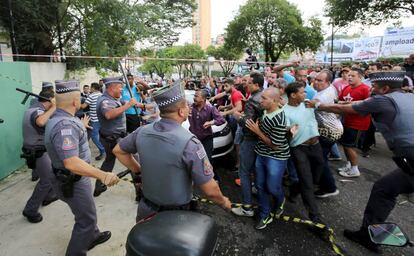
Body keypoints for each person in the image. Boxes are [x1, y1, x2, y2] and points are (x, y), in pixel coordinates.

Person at [311, 71, 414, 253]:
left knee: (383, 190)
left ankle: (368, 235)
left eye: (375, 87)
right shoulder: (406, 97)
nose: (371, 89)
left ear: (385, 88)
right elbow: (357, 103)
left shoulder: (383, 99)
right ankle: (369, 235)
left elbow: (346, 109)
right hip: (408, 161)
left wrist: (318, 106)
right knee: (384, 188)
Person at [113, 84, 232, 222]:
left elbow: (118, 151)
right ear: (181, 111)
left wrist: (139, 170)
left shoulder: (142, 131)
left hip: (146, 211)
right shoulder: (190, 143)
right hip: (175, 216)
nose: (189, 108)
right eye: (187, 105)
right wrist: (224, 202)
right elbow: (210, 190)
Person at [45, 80, 120, 256]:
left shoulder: (62, 118)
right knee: (86, 219)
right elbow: (70, 162)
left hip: (75, 177)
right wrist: (102, 175)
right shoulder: (66, 126)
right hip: (73, 179)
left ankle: (92, 235)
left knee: (86, 210)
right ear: (74, 101)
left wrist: (81, 127)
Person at [245, 87, 290, 229]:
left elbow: (275, 146)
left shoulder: (280, 118)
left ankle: (281, 199)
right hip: (261, 153)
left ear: (275, 101)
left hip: (276, 157)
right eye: (261, 97)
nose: (260, 100)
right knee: (259, 186)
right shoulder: (265, 111)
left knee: (272, 187)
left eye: (264, 98)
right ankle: (265, 215)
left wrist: (257, 131)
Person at [283, 82, 325, 224]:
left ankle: (295, 189)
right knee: (307, 182)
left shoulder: (308, 103)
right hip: (299, 149)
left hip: (316, 146)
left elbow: (320, 102)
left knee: (316, 177)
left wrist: (316, 102)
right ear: (293, 95)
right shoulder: (284, 111)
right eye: (302, 92)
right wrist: (288, 132)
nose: (305, 94)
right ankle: (315, 217)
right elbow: (286, 136)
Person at [94, 77, 141, 197]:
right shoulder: (105, 101)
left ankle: (99, 187)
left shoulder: (114, 98)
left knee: (109, 161)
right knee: (134, 162)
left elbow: (125, 102)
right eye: (120, 87)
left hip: (113, 137)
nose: (122, 89)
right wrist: (128, 105)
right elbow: (109, 114)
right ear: (112, 87)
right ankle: (140, 192)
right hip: (113, 139)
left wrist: (143, 106)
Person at [21, 89, 57, 223]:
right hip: (37, 151)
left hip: (36, 149)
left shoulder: (33, 108)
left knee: (51, 175)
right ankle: (30, 210)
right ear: (50, 100)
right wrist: (54, 107)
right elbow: (41, 122)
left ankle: (48, 196)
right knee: (46, 179)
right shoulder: (38, 112)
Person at [231, 72, 264, 217]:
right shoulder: (264, 96)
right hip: (262, 140)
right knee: (258, 171)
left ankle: (247, 208)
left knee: (244, 172)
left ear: (257, 85)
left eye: (249, 82)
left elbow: (247, 124)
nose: (246, 84)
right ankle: (258, 193)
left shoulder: (253, 100)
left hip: (251, 139)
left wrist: (238, 117)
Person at [306, 70, 343, 198]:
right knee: (319, 158)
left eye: (319, 80)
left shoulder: (322, 96)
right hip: (331, 128)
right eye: (315, 79)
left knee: (319, 159)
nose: (315, 82)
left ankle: (329, 187)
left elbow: (308, 107)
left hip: (329, 131)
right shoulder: (328, 88)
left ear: (328, 82)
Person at [336, 68, 371, 177]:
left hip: (358, 124)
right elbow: (339, 100)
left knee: (350, 146)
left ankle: (355, 169)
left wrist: (346, 103)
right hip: (347, 121)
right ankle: (349, 164)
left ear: (360, 77)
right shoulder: (346, 88)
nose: (349, 77)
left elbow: (370, 105)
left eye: (352, 76)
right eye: (348, 75)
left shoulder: (366, 89)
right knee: (346, 145)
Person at [188, 89, 226, 179]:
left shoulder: (210, 108)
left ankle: (211, 178)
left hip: (206, 139)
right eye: (194, 96)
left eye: (196, 96)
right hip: (194, 139)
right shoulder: (189, 108)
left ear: (203, 98)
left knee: (207, 159)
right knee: (194, 159)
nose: (194, 98)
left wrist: (211, 122)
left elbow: (221, 120)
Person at [81, 82, 105, 160]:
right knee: (102, 136)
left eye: (91, 88)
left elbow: (83, 106)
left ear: (93, 88)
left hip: (95, 120)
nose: (90, 89)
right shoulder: (102, 95)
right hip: (103, 119)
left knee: (94, 137)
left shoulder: (91, 96)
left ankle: (102, 151)